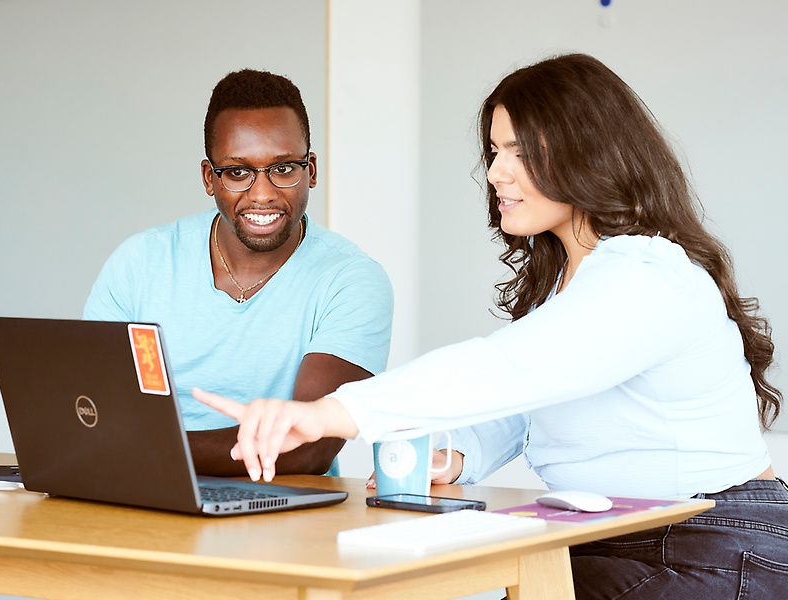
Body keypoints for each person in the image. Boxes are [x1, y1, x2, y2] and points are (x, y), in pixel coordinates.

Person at [193, 54, 787, 597]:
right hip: (613, 536)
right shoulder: (566, 283)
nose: (497, 173)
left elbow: (512, 368)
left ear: (587, 152)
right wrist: (456, 457)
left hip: (713, 542)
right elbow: (528, 407)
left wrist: (327, 413)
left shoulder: (646, 274)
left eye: (520, 153)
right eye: (495, 152)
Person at [84, 69, 393, 478]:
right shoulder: (140, 263)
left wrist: (143, 448)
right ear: (210, 178)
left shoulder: (351, 281)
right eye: (237, 172)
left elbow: (305, 449)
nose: (262, 193)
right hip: (139, 498)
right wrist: (127, 449)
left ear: (311, 171)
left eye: (283, 168)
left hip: (282, 516)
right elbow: (91, 410)